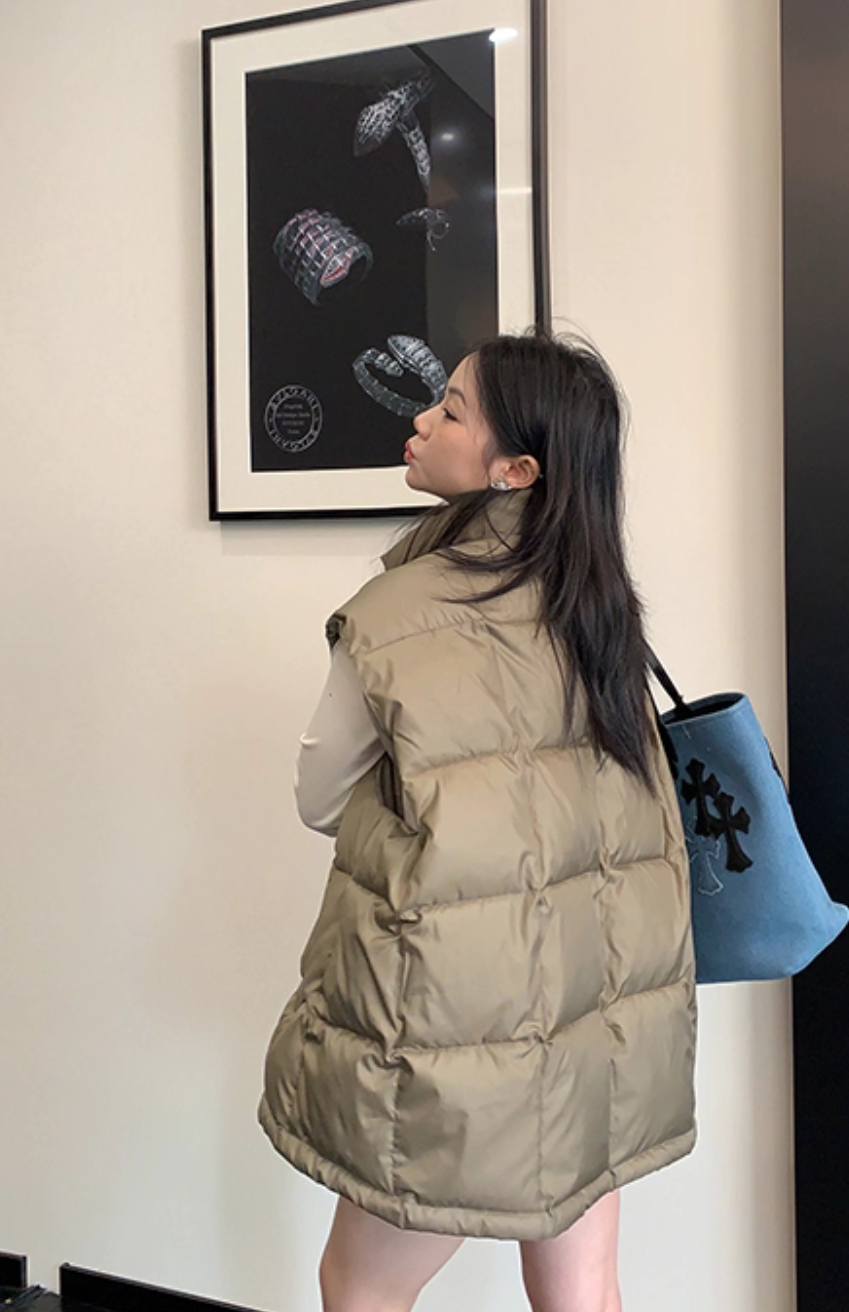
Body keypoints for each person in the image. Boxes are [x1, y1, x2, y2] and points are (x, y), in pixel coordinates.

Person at [257, 329, 698, 1312]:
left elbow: (318, 799)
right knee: (582, 1292)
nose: (422, 419)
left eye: (451, 410)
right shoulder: (600, 609)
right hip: (601, 1010)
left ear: (516, 470)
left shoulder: (393, 615)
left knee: (358, 1288)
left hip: (463, 1026)